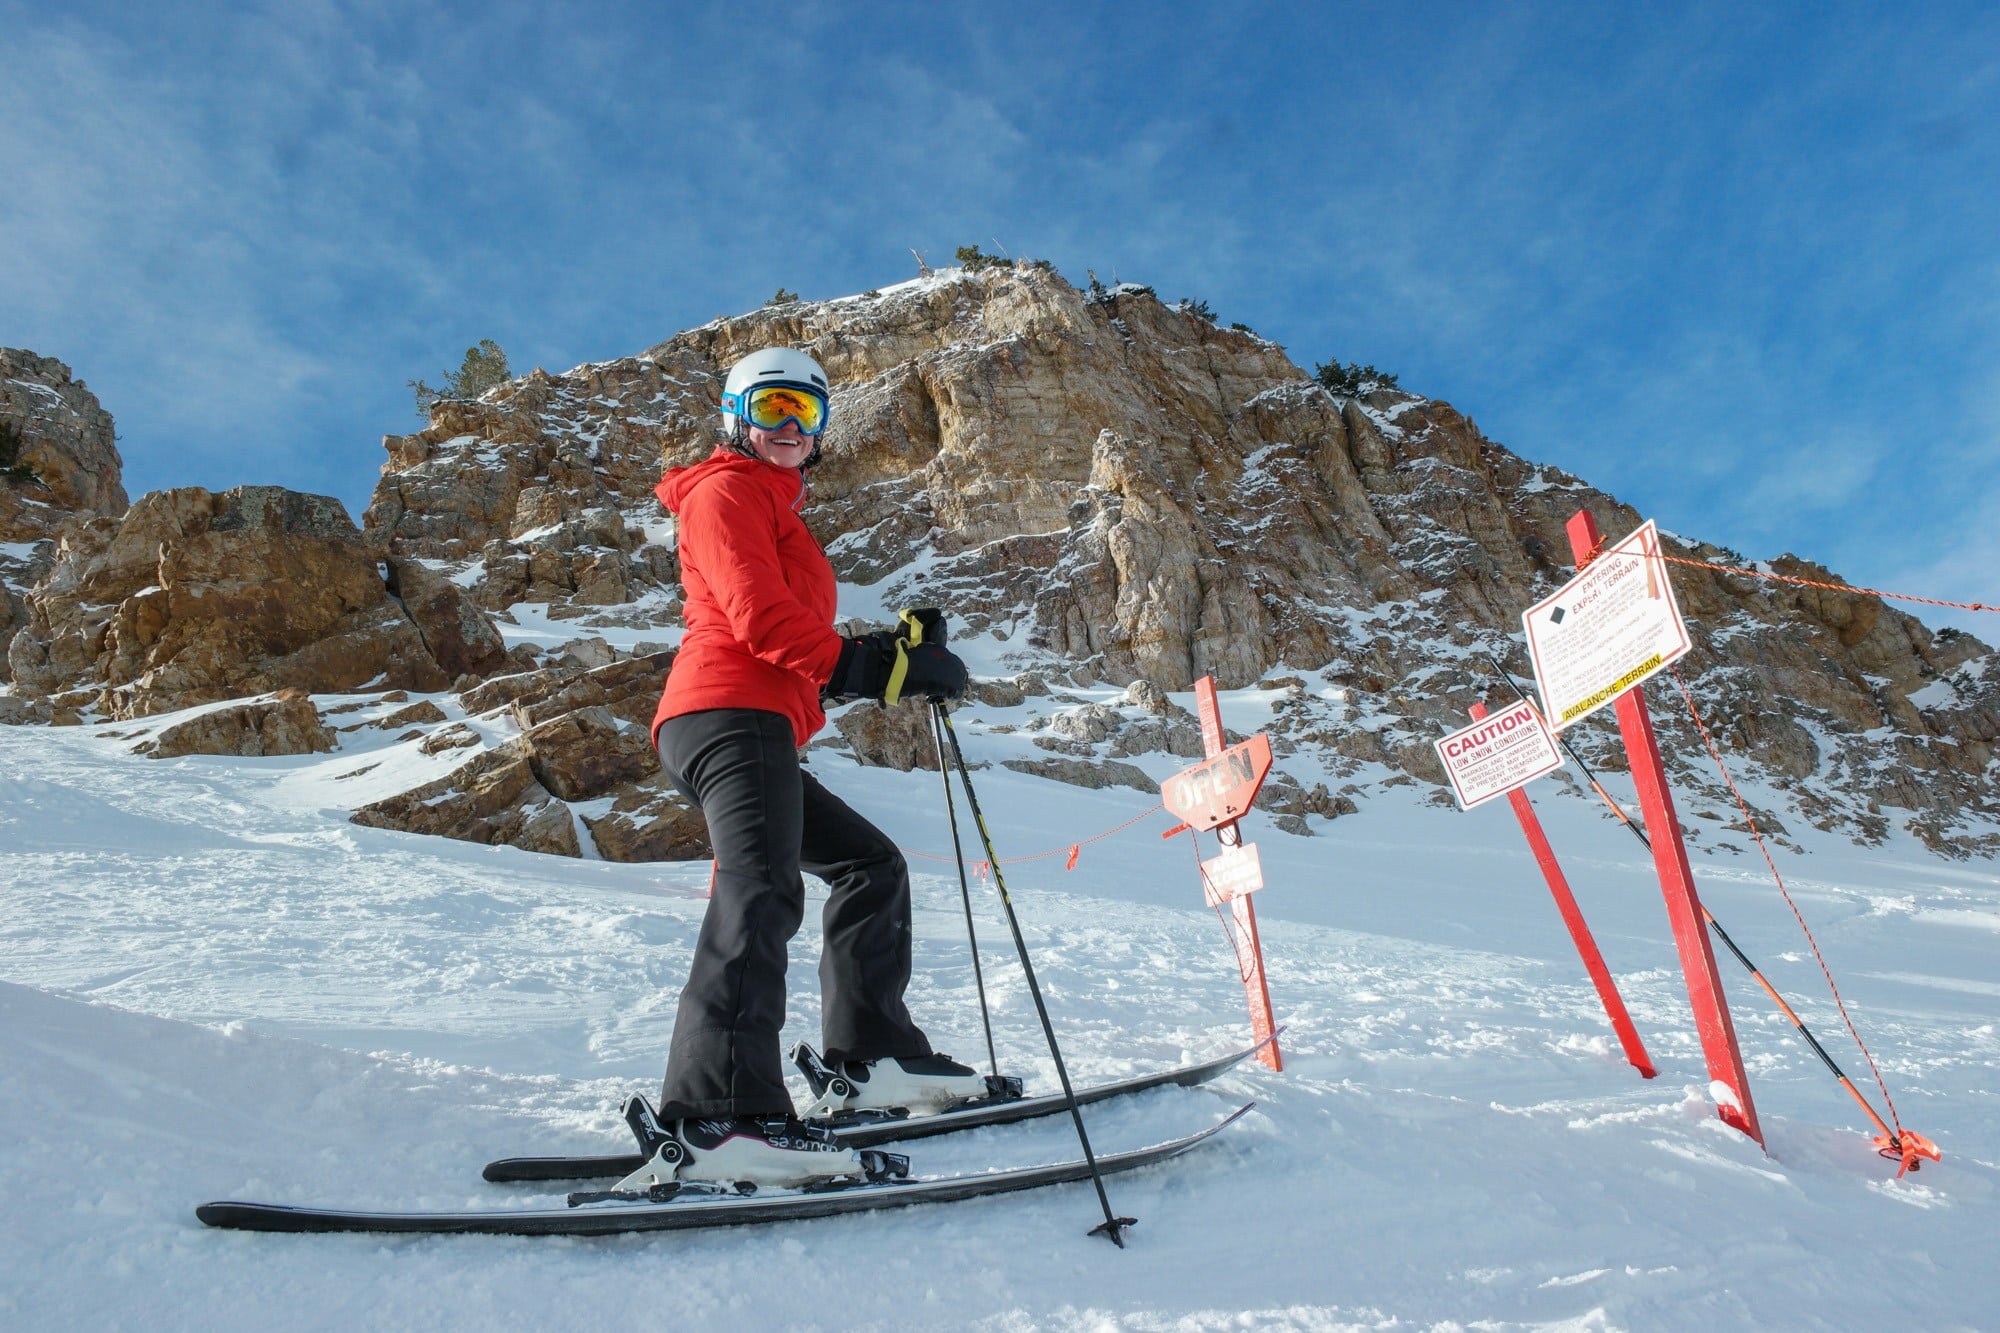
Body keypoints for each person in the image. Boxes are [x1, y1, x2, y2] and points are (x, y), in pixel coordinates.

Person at [646, 346, 982, 1186]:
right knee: (760, 886)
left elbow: (794, 625)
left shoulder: (778, 509)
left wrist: (890, 653)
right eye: (773, 409)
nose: (792, 427)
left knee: (872, 864)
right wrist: (875, 669)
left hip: (758, 722)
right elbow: (758, 618)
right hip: (727, 710)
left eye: (808, 411)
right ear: (736, 416)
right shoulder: (724, 491)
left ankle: (874, 1058)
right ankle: (722, 1114)